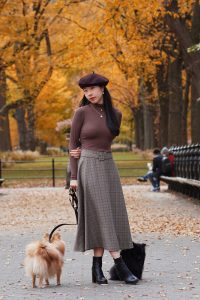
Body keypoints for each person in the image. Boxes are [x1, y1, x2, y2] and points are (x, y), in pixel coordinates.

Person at [69, 72, 138, 285]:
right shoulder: (81, 112)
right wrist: (73, 177)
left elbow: (105, 140)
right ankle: (120, 264)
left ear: (102, 89)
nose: (89, 93)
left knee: (109, 214)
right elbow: (72, 146)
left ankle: (96, 269)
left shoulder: (115, 114)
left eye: (93, 89)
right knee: (102, 213)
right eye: (85, 90)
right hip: (88, 165)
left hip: (108, 165)